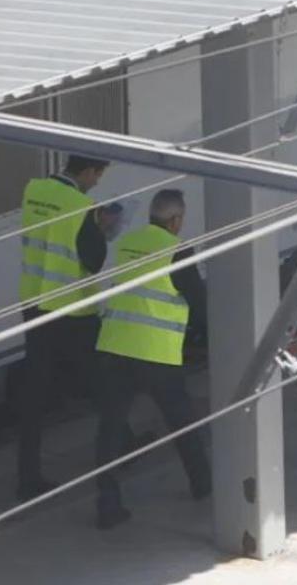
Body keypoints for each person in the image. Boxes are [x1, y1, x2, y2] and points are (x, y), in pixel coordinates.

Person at [93, 189, 212, 529]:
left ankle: (108, 503)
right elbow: (200, 304)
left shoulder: (127, 244)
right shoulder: (177, 251)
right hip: (155, 352)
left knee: (110, 427)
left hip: (114, 344)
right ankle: (202, 486)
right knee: (181, 420)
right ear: (176, 220)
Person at [15, 154, 114, 501]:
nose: (97, 182)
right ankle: (120, 451)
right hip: (72, 310)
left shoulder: (34, 190)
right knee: (103, 382)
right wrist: (102, 231)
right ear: (88, 171)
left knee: (34, 393)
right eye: (98, 175)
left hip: (33, 302)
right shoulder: (81, 205)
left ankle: (26, 477)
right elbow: (93, 260)